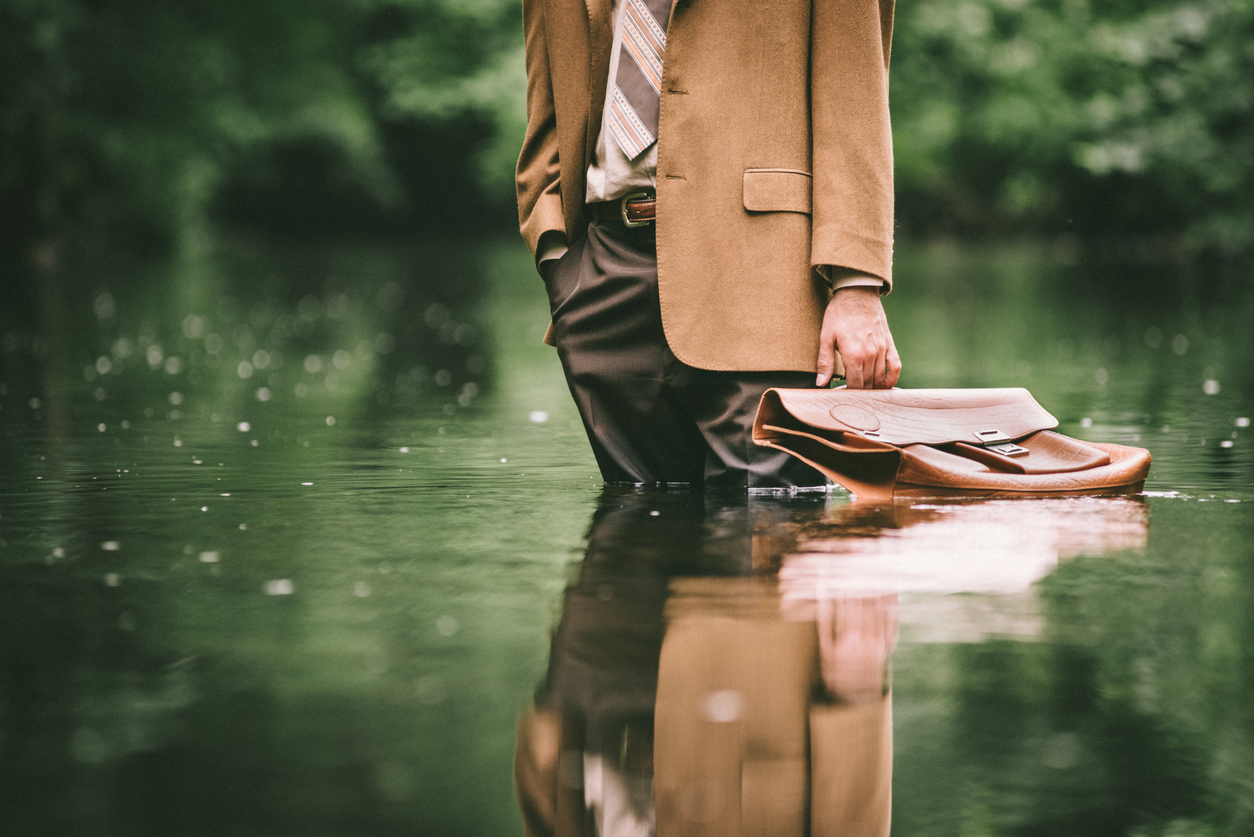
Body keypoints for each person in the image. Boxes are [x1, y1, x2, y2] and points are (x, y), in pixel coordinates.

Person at [516, 0, 902, 491]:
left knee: (768, 533)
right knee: (635, 541)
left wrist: (856, 283)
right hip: (602, 277)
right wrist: (556, 256)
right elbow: (547, 91)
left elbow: (855, 85)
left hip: (766, 273)